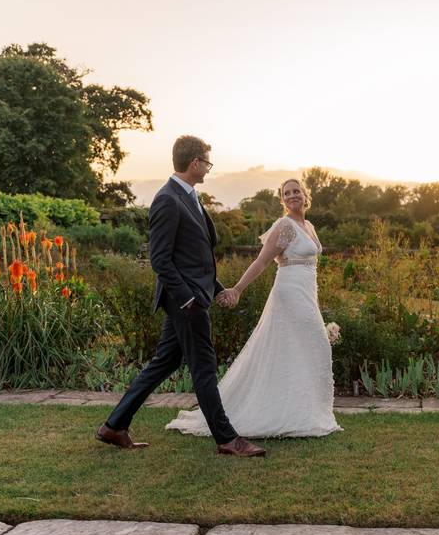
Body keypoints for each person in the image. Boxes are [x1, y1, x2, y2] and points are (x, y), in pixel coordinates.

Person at [96, 135, 266, 457]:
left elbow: (195, 257)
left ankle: (115, 426)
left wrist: (216, 289)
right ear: (195, 163)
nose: (208, 168)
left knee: (164, 363)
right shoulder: (167, 199)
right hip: (185, 302)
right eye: (207, 162)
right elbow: (160, 260)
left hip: (194, 296)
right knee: (204, 367)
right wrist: (189, 299)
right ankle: (227, 439)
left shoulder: (190, 197)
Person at [165, 179, 342, 438]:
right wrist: (237, 289)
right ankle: (295, 414)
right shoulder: (284, 226)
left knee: (303, 349)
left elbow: (310, 268)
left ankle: (305, 413)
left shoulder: (310, 226)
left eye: (296, 191)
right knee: (317, 343)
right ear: (282, 200)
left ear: (306, 196)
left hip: (307, 293)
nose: (292, 196)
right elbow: (261, 262)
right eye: (287, 193)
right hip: (289, 292)